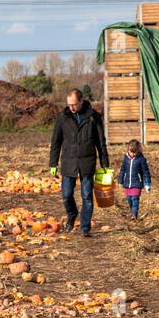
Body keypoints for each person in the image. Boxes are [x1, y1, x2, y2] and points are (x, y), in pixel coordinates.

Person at [48, 88, 109, 237]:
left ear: (81, 101)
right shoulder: (63, 117)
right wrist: (53, 163)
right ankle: (72, 214)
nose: (71, 107)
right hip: (69, 161)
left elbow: (101, 142)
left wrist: (104, 163)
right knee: (66, 194)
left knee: (87, 196)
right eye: (69, 104)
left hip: (87, 162)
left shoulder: (93, 117)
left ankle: (85, 227)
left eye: (74, 104)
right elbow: (56, 142)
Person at [118, 139, 152, 220]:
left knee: (134, 198)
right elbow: (122, 170)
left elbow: (146, 172)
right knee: (129, 199)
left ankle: (134, 214)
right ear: (128, 150)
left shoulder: (141, 159)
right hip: (127, 183)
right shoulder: (126, 159)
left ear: (138, 150)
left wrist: (147, 183)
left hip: (137, 183)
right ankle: (133, 211)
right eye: (131, 152)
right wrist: (120, 181)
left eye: (135, 152)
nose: (133, 154)